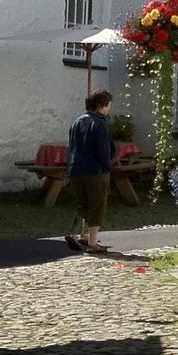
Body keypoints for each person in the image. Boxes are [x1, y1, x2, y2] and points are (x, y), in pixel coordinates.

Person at [64, 89, 116, 253]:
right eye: (108, 106)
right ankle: (93, 243)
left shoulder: (77, 122)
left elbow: (71, 146)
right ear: (102, 106)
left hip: (76, 169)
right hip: (94, 171)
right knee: (97, 205)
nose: (109, 109)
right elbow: (103, 150)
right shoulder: (99, 124)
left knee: (84, 203)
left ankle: (84, 234)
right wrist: (107, 166)